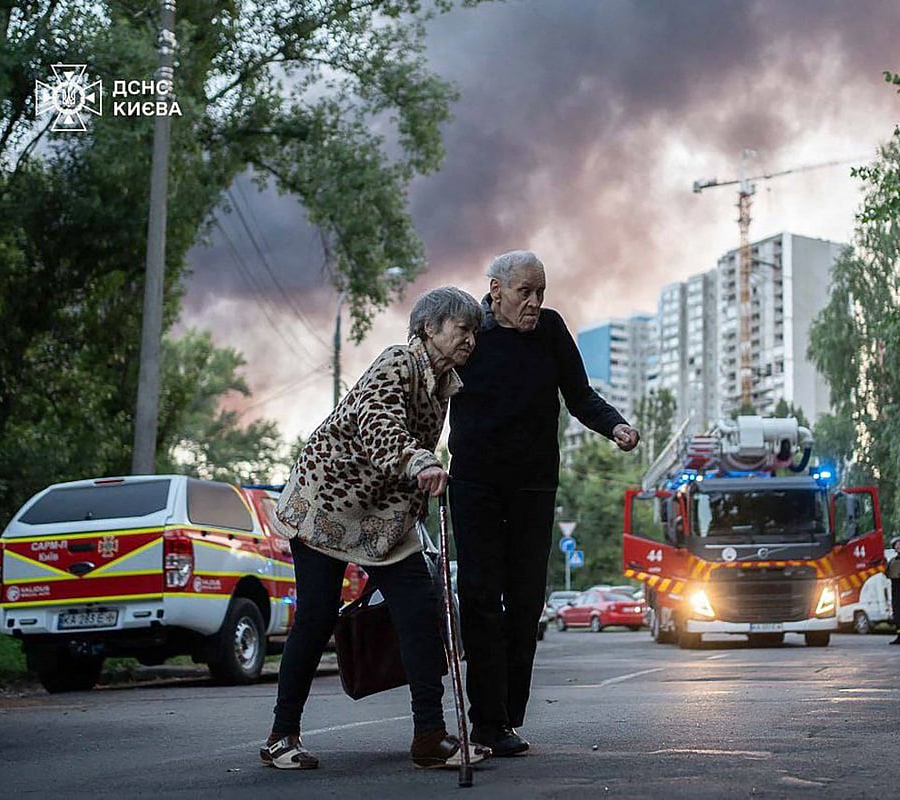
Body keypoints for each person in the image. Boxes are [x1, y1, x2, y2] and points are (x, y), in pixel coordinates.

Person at [262, 286, 490, 771]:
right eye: (462, 328)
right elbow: (379, 424)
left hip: (384, 518)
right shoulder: (397, 363)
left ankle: (429, 736)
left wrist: (419, 485)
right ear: (429, 328)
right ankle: (282, 737)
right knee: (317, 617)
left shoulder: (442, 384)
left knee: (420, 612)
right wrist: (421, 460)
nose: (471, 339)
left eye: (475, 331)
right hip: (328, 505)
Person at [448, 250, 641, 756]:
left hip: (534, 486)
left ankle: (508, 715)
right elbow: (430, 389)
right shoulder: (470, 333)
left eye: (541, 293)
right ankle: (486, 721)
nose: (534, 303)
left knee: (528, 600)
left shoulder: (551, 331)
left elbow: (579, 394)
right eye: (524, 293)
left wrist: (614, 425)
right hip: (475, 486)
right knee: (481, 599)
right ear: (495, 290)